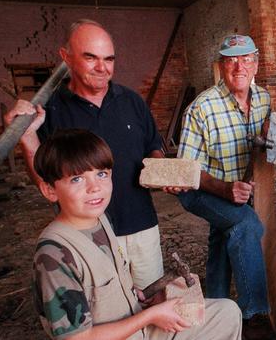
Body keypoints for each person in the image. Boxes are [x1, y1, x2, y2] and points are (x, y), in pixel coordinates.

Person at [31, 129, 241, 340]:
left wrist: (136, 297)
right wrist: (151, 316)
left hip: (137, 326)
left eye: (101, 174)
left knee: (227, 313)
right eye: (77, 179)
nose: (95, 188)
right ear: (49, 190)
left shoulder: (100, 220)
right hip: (125, 332)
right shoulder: (55, 254)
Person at [4, 19, 165, 290]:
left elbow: (153, 146)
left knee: (153, 299)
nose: (102, 68)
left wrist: (163, 170)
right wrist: (28, 137)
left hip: (141, 226)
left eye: (109, 59)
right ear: (66, 57)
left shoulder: (132, 101)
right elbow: (45, 181)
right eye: (90, 58)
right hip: (87, 234)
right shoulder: (51, 112)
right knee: (109, 311)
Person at [170, 34, 270, 335]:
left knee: (225, 233)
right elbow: (187, 172)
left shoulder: (264, 99)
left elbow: (266, 143)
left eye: (246, 59)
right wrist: (226, 189)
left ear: (256, 64)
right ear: (221, 66)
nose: (239, 67)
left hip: (238, 190)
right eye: (231, 61)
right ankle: (255, 315)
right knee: (246, 224)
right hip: (200, 191)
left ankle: (214, 307)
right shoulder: (202, 108)